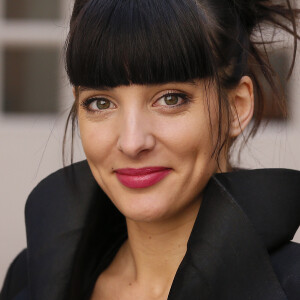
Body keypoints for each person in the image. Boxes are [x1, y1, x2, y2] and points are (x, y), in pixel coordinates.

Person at [1, 0, 300, 299]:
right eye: (101, 102)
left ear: (236, 108)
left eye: (170, 99)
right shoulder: (29, 281)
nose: (132, 143)